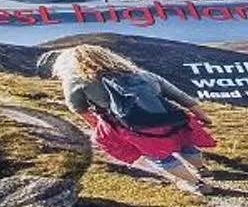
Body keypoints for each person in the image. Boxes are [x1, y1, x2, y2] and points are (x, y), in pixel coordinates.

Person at [42, 41, 216, 191]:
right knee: (185, 145)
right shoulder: (142, 75)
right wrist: (203, 117)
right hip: (170, 118)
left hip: (134, 128)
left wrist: (101, 128)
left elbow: (79, 109)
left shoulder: (77, 82)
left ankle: (197, 184)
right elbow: (181, 97)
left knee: (159, 156)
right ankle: (201, 169)